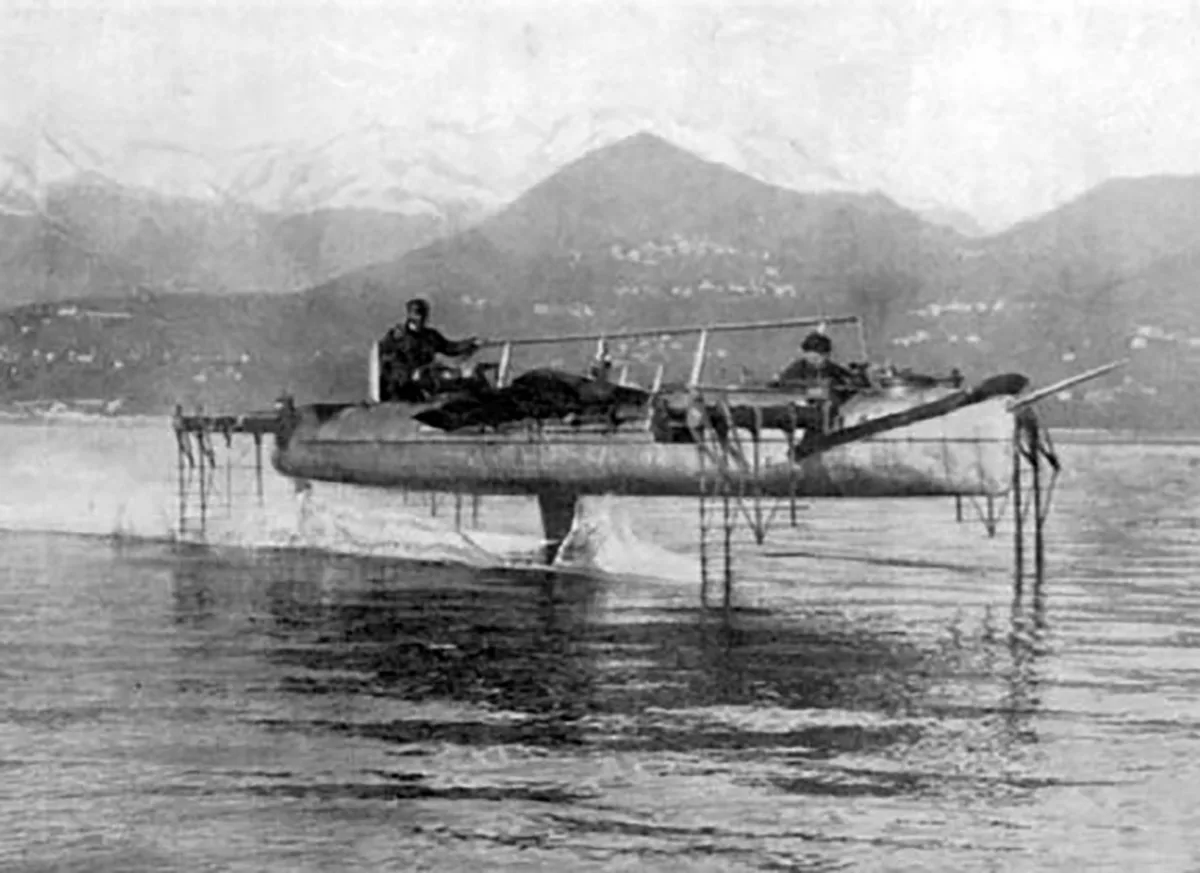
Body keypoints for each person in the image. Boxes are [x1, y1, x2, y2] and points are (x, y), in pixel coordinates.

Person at [377, 297, 481, 402]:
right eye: (417, 314)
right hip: (402, 388)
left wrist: (470, 343)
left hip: (426, 382)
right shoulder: (397, 337)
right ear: (409, 315)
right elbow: (388, 363)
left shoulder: (430, 336)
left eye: (423, 314)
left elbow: (450, 348)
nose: (421, 318)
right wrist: (408, 374)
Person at [772, 330, 853, 386]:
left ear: (828, 355)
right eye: (813, 359)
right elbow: (782, 382)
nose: (819, 362)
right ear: (805, 355)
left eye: (820, 358)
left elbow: (849, 381)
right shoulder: (798, 368)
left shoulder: (833, 369)